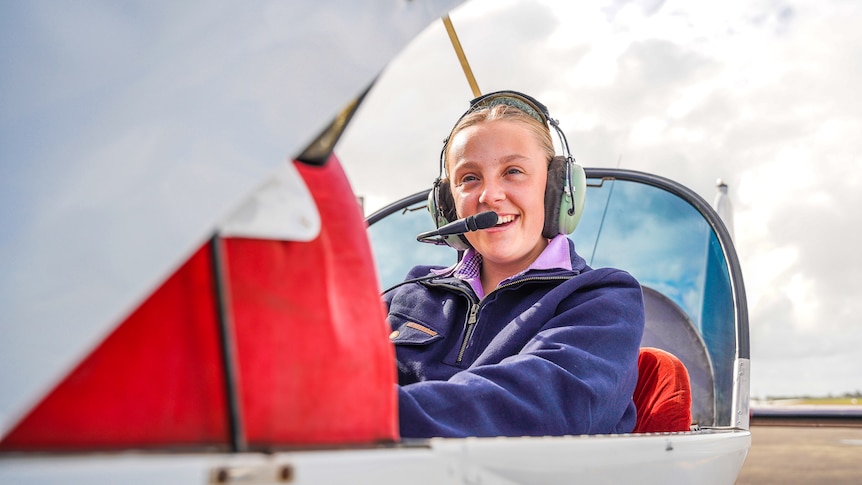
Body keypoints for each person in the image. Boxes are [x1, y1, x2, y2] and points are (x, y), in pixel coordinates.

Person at [384, 90, 645, 438]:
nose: (489, 195)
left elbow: (544, 405)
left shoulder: (603, 299)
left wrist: (368, 416)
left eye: (513, 171)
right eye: (469, 178)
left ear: (557, 189)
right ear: (446, 203)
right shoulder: (410, 295)